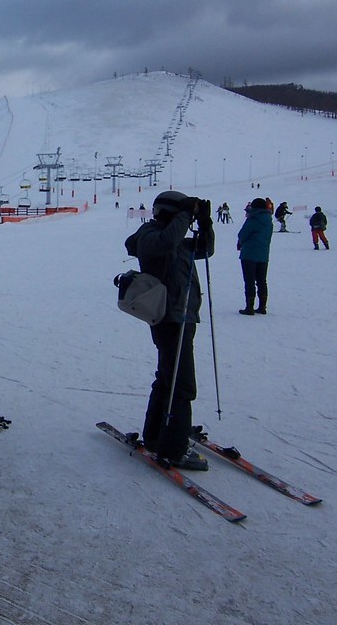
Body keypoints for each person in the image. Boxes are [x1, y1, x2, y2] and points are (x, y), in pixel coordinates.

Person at [129, 190, 215, 470]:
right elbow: (165, 244)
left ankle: (157, 436)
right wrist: (185, 214)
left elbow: (205, 249)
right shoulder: (150, 236)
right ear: (168, 212)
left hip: (184, 317)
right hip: (169, 318)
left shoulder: (175, 238)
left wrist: (205, 222)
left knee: (168, 379)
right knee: (182, 384)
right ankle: (174, 448)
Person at [237, 198, 273, 315]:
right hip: (263, 254)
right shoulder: (269, 220)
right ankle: (262, 307)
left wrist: (240, 242)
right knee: (262, 281)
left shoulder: (253, 219)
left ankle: (249, 307)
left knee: (249, 281)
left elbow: (243, 234)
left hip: (249, 254)